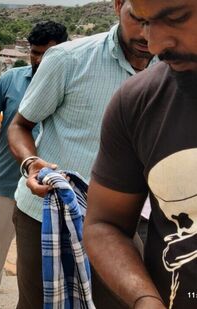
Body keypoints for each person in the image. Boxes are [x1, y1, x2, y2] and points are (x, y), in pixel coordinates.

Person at [7, 0, 156, 307]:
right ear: (118, 5)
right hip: (47, 214)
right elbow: (20, 126)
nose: (147, 33)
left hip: (126, 223)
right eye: (138, 18)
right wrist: (32, 164)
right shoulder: (68, 59)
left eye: (160, 20)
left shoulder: (176, 70)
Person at [84, 0, 197, 308]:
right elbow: (105, 225)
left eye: (176, 17)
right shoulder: (137, 102)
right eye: (144, 22)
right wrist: (144, 298)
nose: (156, 44)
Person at [0, 21, 68, 308]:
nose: (39, 61)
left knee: (43, 253)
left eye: (46, 55)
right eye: (34, 53)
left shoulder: (73, 82)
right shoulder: (11, 79)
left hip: (47, 188)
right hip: (5, 181)